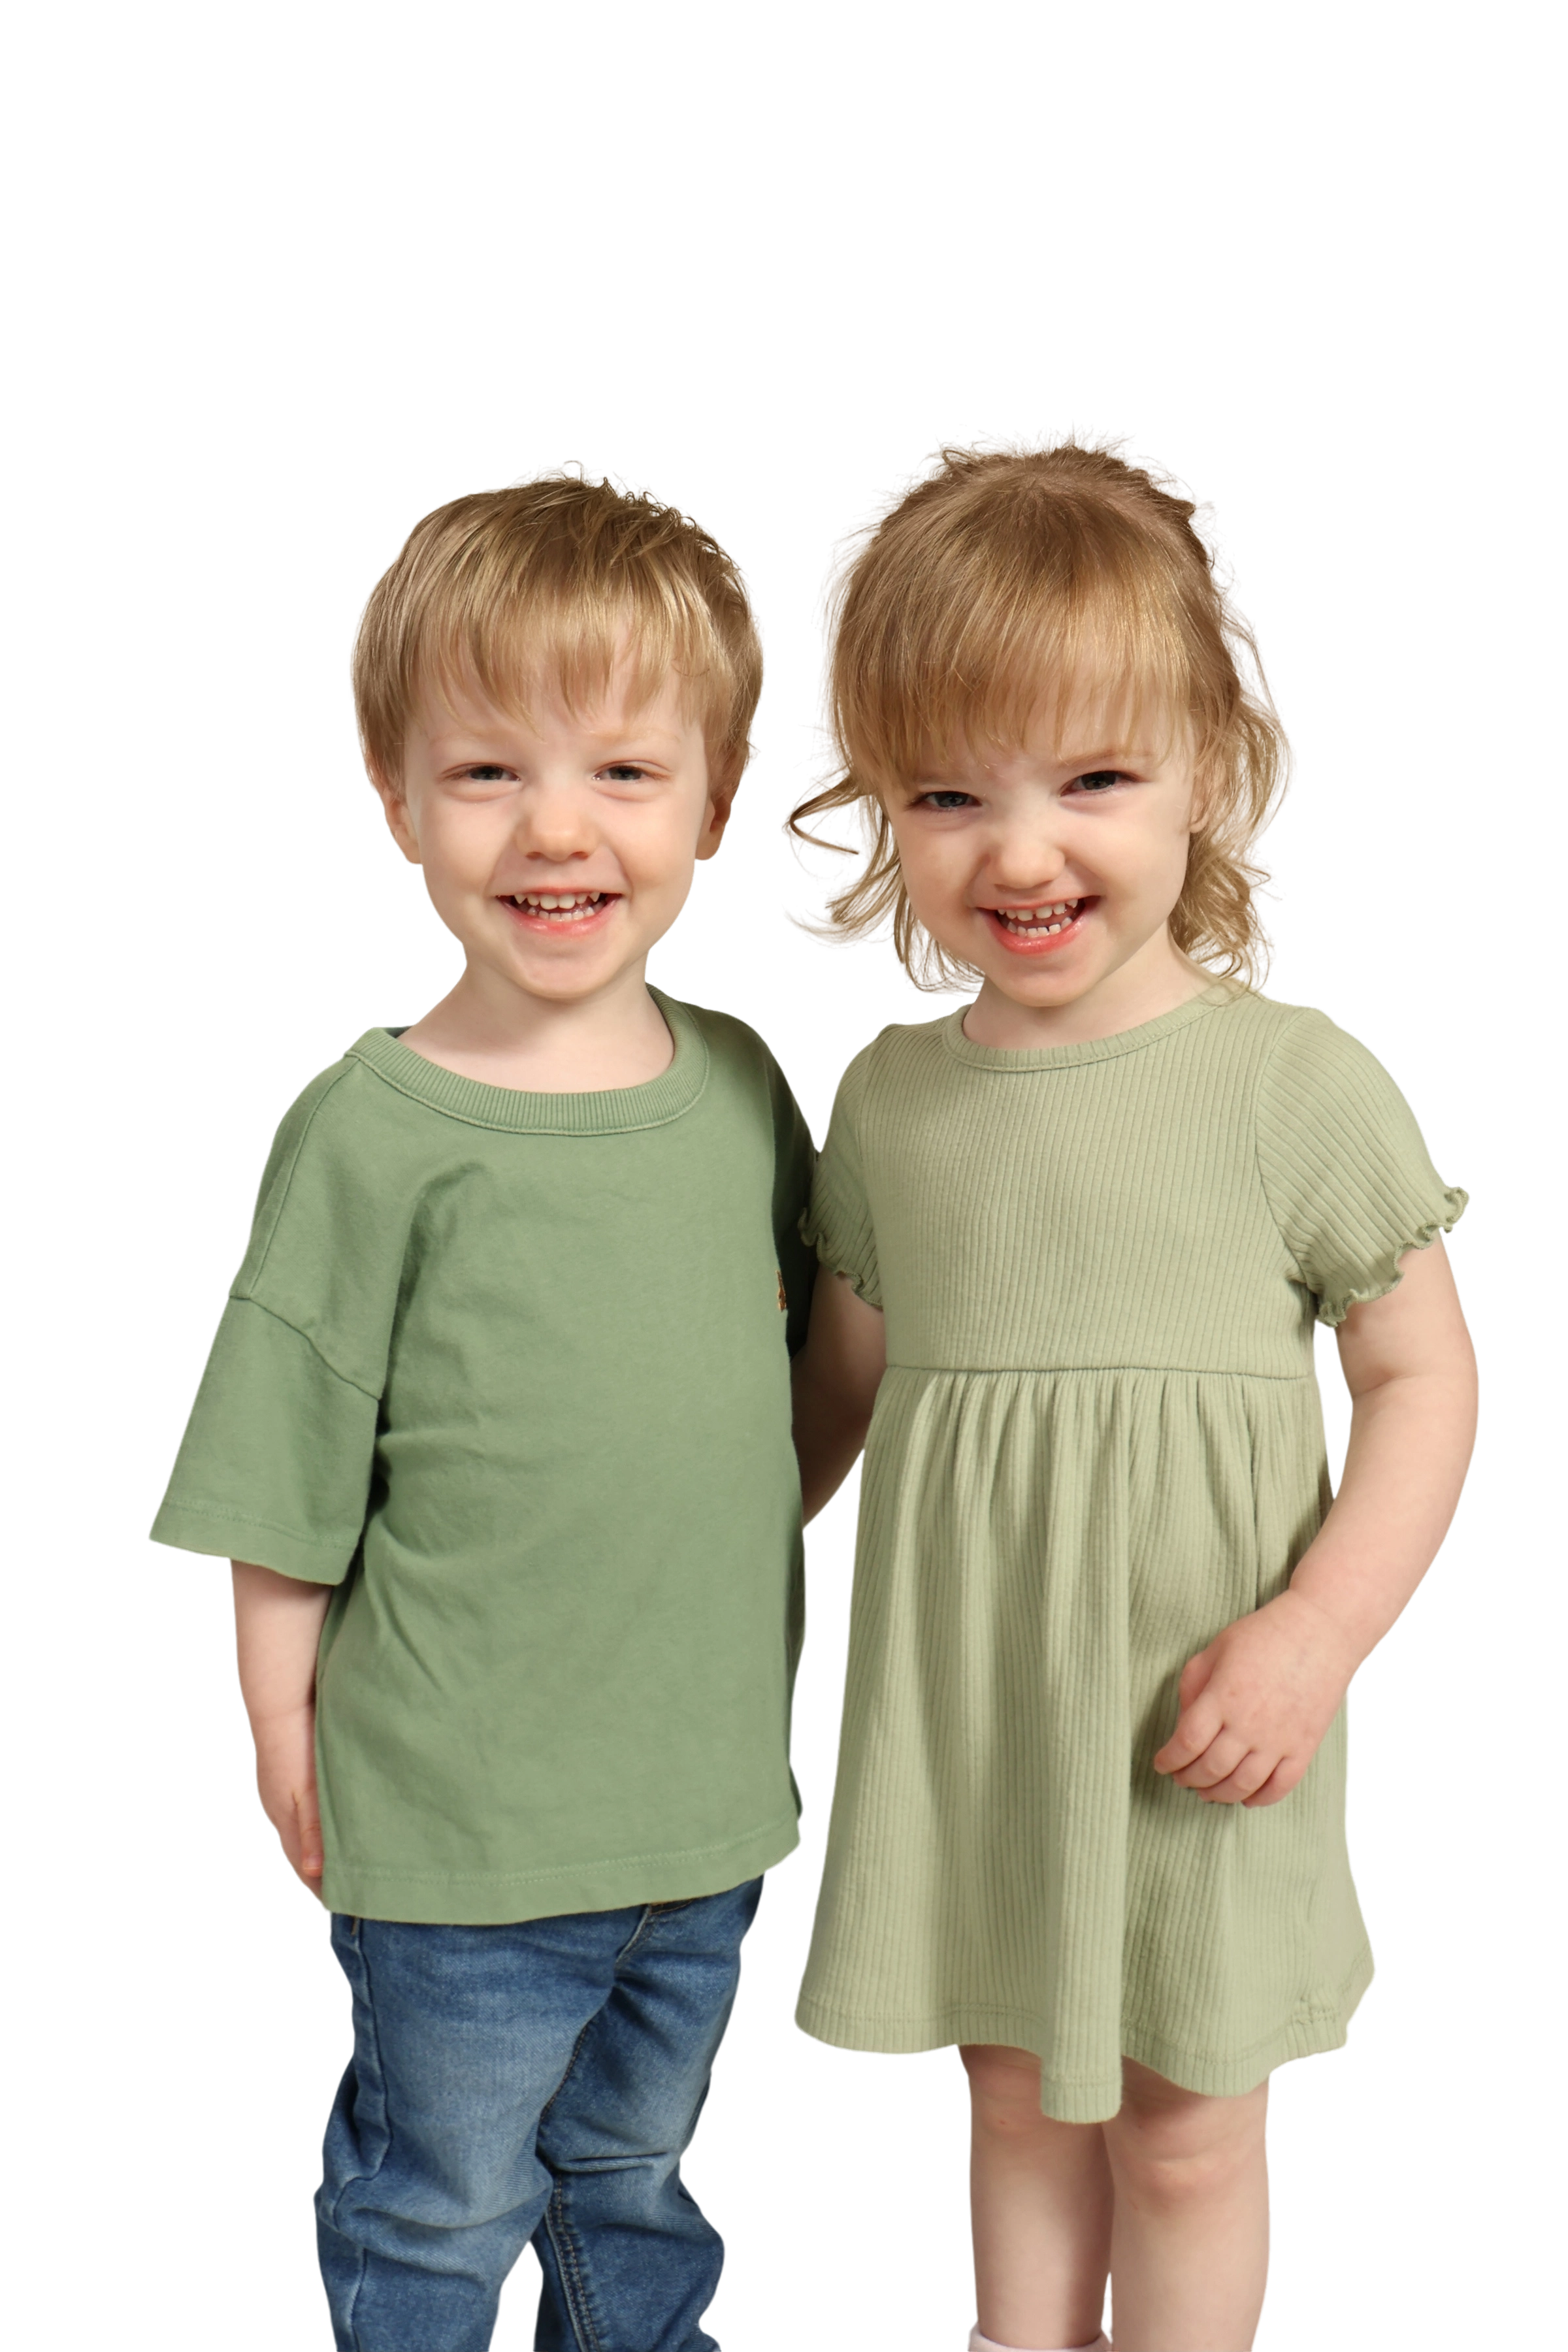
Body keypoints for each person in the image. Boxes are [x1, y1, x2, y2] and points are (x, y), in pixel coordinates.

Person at [783, 427, 1480, 2352]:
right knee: (1015, 2102)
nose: (1021, 854)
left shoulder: (1289, 1080)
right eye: (949, 793)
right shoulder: (894, 1105)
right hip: (987, 1709)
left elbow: (1425, 1382)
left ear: (1210, 772)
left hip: (1209, 1708)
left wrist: (1317, 1637)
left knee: (1183, 2131)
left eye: (1092, 778)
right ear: (880, 813)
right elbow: (834, 1400)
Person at [146, 460, 817, 2352]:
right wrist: (284, 1722)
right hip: (454, 1831)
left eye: (625, 768)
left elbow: (774, 1384)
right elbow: (281, 1463)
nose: (558, 826)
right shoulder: (370, 1133)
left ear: (717, 797)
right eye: (487, 769)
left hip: (701, 1813)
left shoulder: (744, 1087)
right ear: (392, 791)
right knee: (440, 2207)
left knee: (637, 2191)